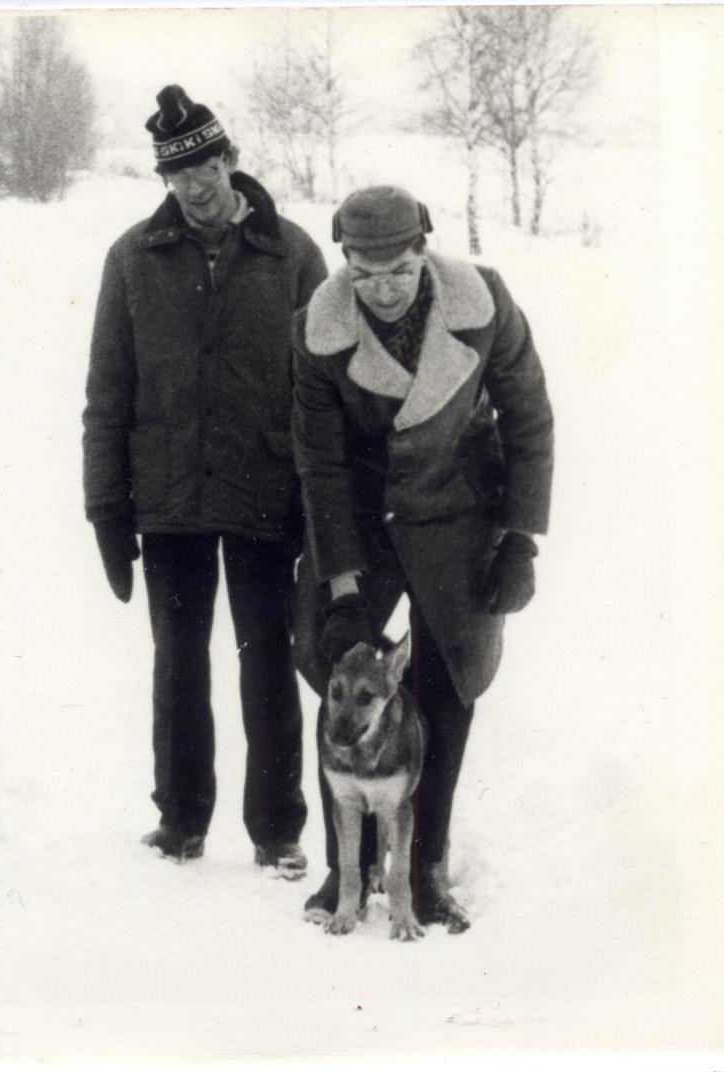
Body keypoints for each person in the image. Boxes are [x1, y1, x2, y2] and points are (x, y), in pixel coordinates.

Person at [291, 185, 554, 931]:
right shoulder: (317, 327)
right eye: (363, 275)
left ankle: (426, 869)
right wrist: (341, 586)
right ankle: (346, 869)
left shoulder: (485, 302)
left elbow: (530, 416)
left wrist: (520, 537)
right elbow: (321, 464)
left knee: (446, 690)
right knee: (338, 674)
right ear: (343, 262)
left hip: (457, 512)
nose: (381, 290)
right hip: (363, 525)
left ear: (425, 251)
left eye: (399, 272)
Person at [82, 85, 327, 871]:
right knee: (178, 665)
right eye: (178, 174)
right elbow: (106, 393)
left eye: (207, 166)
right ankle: (182, 821)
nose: (196, 186)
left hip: (266, 493)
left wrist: (321, 506)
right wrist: (105, 510)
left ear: (231, 160)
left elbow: (320, 392)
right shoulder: (130, 258)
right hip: (170, 499)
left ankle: (278, 829)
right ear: (165, 180)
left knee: (267, 662)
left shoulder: (294, 254)